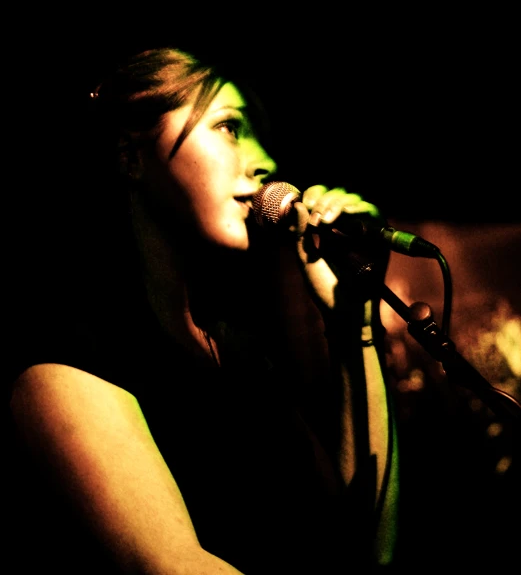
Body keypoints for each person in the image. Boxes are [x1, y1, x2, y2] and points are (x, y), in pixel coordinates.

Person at [7, 47, 400, 574]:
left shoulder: (243, 355)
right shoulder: (72, 358)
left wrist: (352, 320)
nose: (265, 161)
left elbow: (365, 548)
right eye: (229, 127)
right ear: (130, 156)